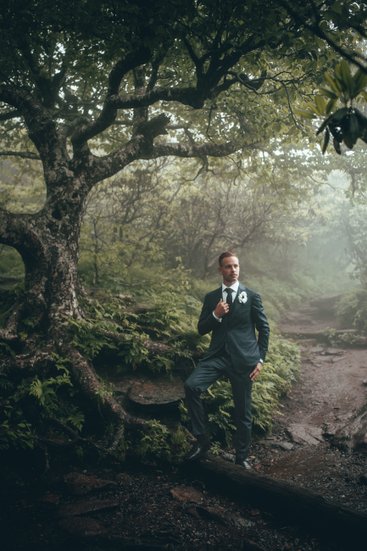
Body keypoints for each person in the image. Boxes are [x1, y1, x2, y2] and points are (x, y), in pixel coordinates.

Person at [184, 251, 270, 469]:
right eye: (228, 266)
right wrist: (215, 315)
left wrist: (260, 360)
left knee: (243, 412)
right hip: (217, 357)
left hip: (243, 360)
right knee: (192, 386)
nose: (233, 270)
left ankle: (242, 458)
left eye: (236, 266)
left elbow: (264, 328)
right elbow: (202, 328)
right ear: (220, 270)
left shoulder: (251, 296)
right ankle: (203, 441)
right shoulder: (212, 298)